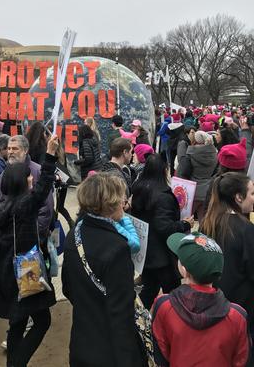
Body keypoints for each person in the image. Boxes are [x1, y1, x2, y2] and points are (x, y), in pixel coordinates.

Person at [62, 172, 146, 367]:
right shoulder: (117, 248)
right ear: (109, 205)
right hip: (109, 349)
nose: (123, 204)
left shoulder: (76, 233)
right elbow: (121, 312)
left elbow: (68, 288)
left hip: (82, 338)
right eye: (120, 200)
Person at [0, 135, 59, 367]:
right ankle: (17, 362)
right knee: (42, 321)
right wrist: (50, 154)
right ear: (21, 182)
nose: (32, 177)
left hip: (7, 273)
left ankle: (13, 360)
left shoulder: (4, 206)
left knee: (18, 322)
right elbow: (43, 187)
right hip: (25, 273)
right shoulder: (24, 207)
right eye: (28, 176)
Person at [152, 231, 249, 367]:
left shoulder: (164, 305)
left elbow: (161, 355)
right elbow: (241, 360)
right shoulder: (238, 316)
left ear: (184, 270)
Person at [131, 154, 193, 309]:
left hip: (146, 251)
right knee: (173, 295)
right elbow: (164, 227)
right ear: (164, 170)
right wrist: (184, 224)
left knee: (149, 289)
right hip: (162, 255)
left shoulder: (140, 188)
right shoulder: (162, 196)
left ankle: (137, 321)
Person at [201, 173, 254, 342]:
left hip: (211, 303)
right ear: (238, 197)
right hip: (241, 307)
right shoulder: (246, 230)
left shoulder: (207, 223)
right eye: (252, 193)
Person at [177, 130, 218, 224]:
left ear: (195, 140)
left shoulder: (191, 154)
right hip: (207, 190)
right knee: (203, 220)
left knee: (186, 219)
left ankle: (185, 237)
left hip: (192, 191)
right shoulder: (214, 154)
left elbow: (184, 171)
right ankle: (203, 237)